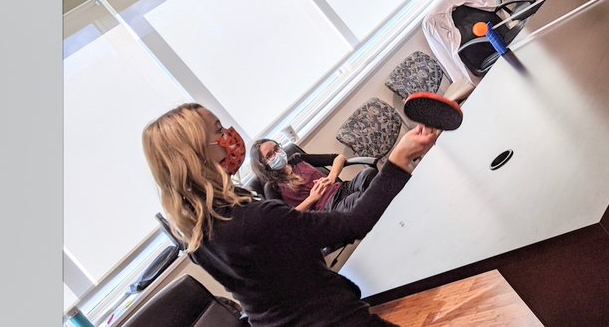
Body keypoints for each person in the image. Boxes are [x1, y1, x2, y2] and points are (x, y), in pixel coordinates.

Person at [142, 102, 438, 327]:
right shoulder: (254, 219)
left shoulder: (195, 233)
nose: (229, 136)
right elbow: (355, 222)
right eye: (219, 131)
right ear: (197, 153)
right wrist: (399, 160)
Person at [249, 138, 379, 214]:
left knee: (369, 174)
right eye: (270, 155)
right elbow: (285, 218)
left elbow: (338, 158)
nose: (277, 154)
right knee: (361, 198)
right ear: (263, 164)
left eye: (277, 148)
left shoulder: (297, 159)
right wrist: (312, 198)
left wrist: (331, 178)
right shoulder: (272, 187)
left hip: (341, 188)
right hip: (327, 209)